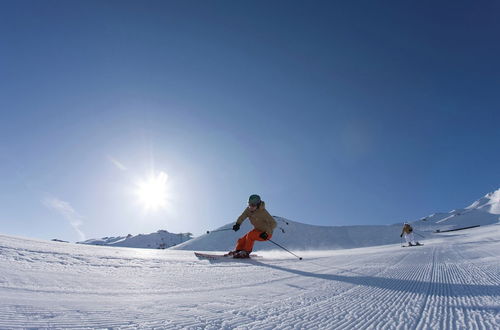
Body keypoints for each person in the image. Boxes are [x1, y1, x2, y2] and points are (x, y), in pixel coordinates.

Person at [227, 194, 277, 258]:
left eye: (253, 205)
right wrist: (238, 224)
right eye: (249, 204)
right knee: (242, 239)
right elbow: (243, 216)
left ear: (258, 205)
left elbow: (274, 223)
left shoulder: (263, 212)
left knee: (250, 235)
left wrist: (266, 233)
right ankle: (238, 251)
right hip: (257, 230)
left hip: (266, 234)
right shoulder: (248, 210)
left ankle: (246, 252)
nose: (251, 207)